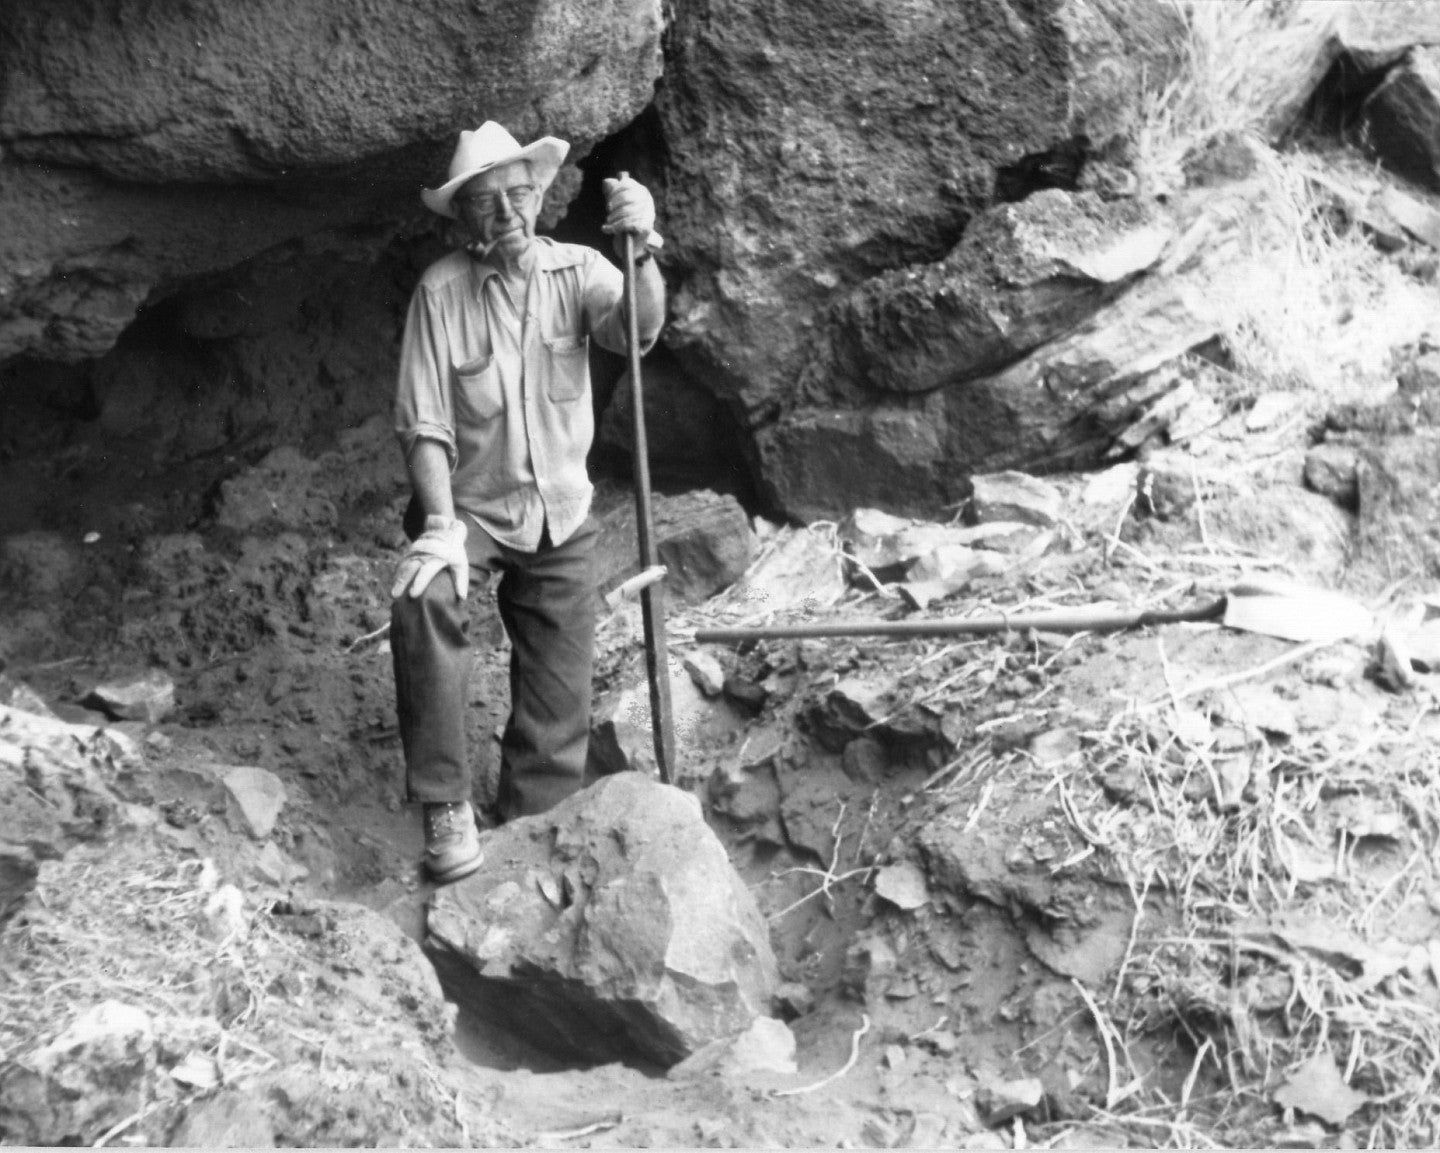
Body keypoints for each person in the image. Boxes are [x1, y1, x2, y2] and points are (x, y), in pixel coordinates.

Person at [389, 122, 665, 882]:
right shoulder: (440, 293)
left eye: (518, 194)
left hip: (560, 510)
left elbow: (635, 330)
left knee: (559, 696)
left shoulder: (579, 269)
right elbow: (424, 424)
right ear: (462, 219)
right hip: (469, 510)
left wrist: (642, 249)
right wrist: (440, 527)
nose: (506, 213)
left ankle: (530, 824)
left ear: (540, 196)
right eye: (485, 202)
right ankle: (445, 804)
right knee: (422, 594)